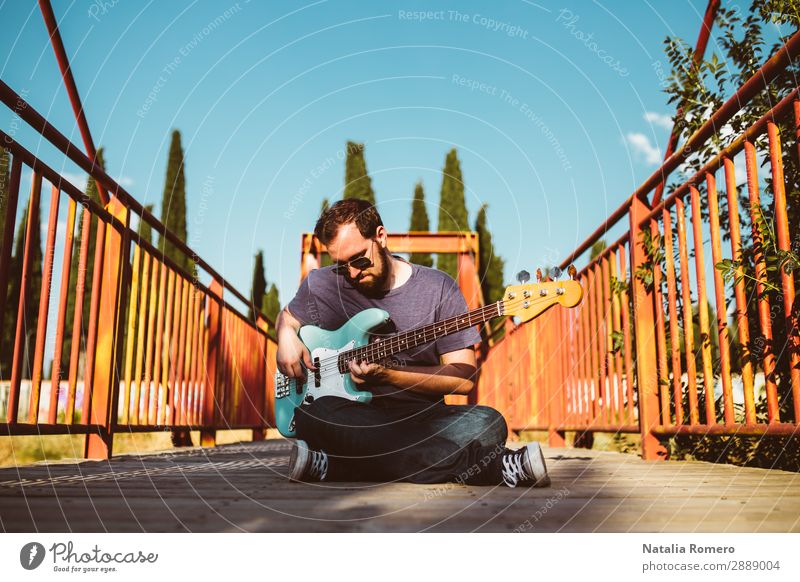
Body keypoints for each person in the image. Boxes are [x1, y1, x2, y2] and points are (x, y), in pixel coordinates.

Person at [275, 199, 550, 488]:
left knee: (487, 424)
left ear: (380, 236)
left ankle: (338, 466)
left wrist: (390, 376)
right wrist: (286, 336)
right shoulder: (322, 284)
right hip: (353, 414)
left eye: (359, 260)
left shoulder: (438, 288)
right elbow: (289, 316)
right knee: (315, 416)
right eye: (342, 266)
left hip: (422, 419)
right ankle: (493, 468)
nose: (353, 274)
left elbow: (465, 377)